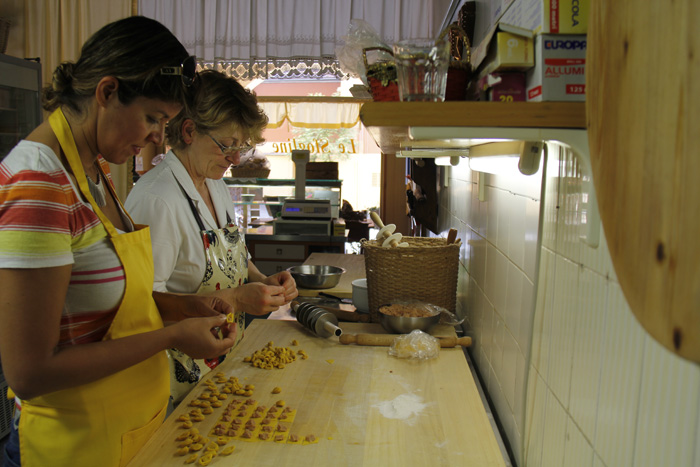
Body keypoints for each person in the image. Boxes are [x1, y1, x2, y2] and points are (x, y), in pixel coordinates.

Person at [0, 17, 238, 467]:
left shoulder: (95, 172)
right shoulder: (40, 183)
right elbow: (29, 372)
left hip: (130, 434)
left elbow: (102, 306)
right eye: (152, 118)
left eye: (164, 122)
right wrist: (170, 337)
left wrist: (182, 308)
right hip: (75, 448)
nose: (156, 137)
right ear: (107, 93)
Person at [125, 70, 298, 403]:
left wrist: (264, 280)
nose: (234, 160)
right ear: (189, 131)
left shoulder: (215, 184)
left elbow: (233, 253)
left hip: (220, 366)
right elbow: (142, 307)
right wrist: (238, 300)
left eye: (241, 148)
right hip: (172, 382)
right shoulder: (157, 200)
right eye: (226, 146)